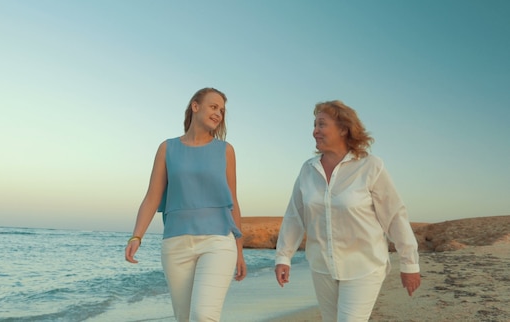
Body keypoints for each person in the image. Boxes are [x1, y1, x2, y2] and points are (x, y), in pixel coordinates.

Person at [274, 100, 421, 322]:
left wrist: (410, 262)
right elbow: (295, 216)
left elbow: (394, 216)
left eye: (321, 124)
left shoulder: (370, 166)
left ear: (343, 128)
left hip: (364, 265)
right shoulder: (308, 169)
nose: (314, 131)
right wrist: (283, 257)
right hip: (322, 266)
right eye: (314, 125)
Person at [125, 87, 247, 322]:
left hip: (218, 242)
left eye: (221, 110)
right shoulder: (167, 148)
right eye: (213, 107)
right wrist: (136, 236)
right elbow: (152, 196)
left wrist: (239, 252)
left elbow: (233, 202)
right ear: (195, 106)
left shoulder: (225, 150)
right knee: (184, 318)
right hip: (175, 244)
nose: (218, 114)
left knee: (203, 316)